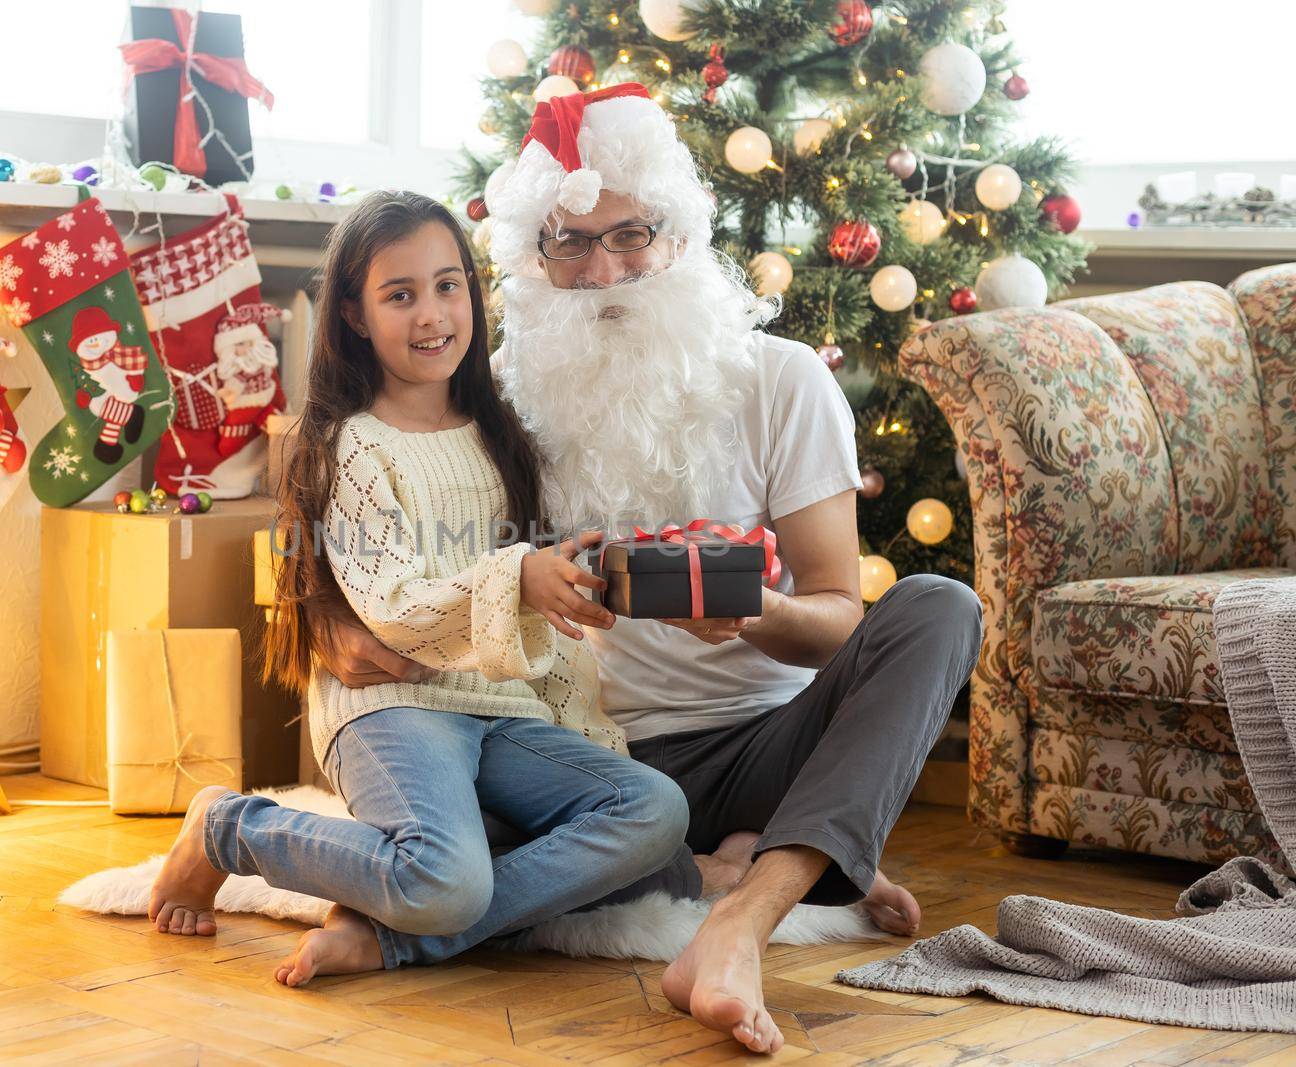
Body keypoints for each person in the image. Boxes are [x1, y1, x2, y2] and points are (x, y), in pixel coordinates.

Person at [316, 84, 984, 1055]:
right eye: (571, 243)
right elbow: (403, 559)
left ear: (680, 234)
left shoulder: (780, 379)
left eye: (634, 233)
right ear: (532, 260)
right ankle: (791, 856)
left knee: (937, 605)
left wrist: (754, 612)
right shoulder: (497, 398)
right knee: (444, 810)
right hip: (585, 760)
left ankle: (737, 914)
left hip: (765, 737)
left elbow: (842, 613)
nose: (607, 269)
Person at [147, 190, 693, 988]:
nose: (432, 313)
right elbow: (393, 608)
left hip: (502, 709)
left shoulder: (502, 430)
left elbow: (528, 577)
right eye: (400, 295)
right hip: (394, 707)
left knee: (656, 814)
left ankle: (396, 933)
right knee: (447, 879)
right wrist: (519, 575)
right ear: (355, 316)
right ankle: (231, 827)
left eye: (448, 286)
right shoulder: (353, 445)